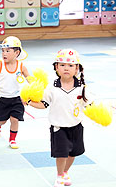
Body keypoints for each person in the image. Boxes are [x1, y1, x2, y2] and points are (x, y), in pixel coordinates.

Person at [28, 49, 93, 187]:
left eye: (70, 65)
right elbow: (43, 104)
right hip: (58, 127)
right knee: (61, 154)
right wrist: (29, 102)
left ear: (77, 69)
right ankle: (59, 175)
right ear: (56, 68)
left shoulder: (82, 87)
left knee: (73, 154)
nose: (66, 68)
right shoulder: (51, 87)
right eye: (62, 65)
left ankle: (65, 172)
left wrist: (97, 112)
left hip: (76, 126)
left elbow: (90, 104)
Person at [0, 36, 30, 149]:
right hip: (1, 98)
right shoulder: (0, 65)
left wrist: (34, 84)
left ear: (17, 52)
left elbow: (28, 76)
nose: (4, 53)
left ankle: (12, 139)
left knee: (15, 119)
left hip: (16, 98)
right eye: (3, 51)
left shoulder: (21, 66)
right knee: (1, 121)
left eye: (8, 51)